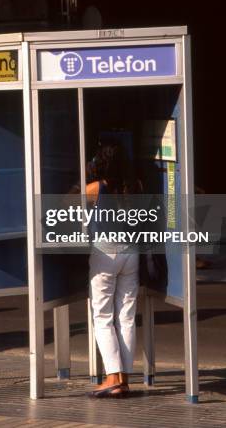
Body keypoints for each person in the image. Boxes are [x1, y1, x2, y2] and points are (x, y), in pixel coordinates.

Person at [86, 141, 140, 398]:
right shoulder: (135, 186)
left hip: (105, 253)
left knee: (102, 316)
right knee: (126, 317)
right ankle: (125, 378)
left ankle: (111, 378)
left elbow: (66, 202)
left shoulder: (96, 188)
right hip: (132, 253)